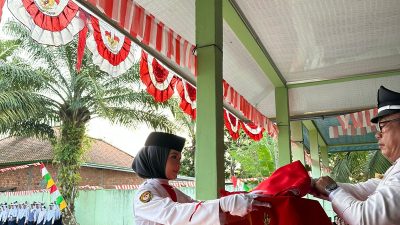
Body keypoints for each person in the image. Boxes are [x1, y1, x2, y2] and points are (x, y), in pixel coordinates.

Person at [132, 132, 270, 225]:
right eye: (174, 157)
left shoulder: (170, 190)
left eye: (179, 158)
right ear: (157, 158)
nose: (178, 164)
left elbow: (195, 206)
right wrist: (224, 204)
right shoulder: (145, 194)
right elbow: (173, 213)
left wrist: (238, 200)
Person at [312, 86, 400, 225]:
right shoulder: (395, 169)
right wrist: (315, 184)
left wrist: (332, 190)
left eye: (382, 125)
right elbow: (362, 190)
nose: (378, 134)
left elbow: (365, 218)